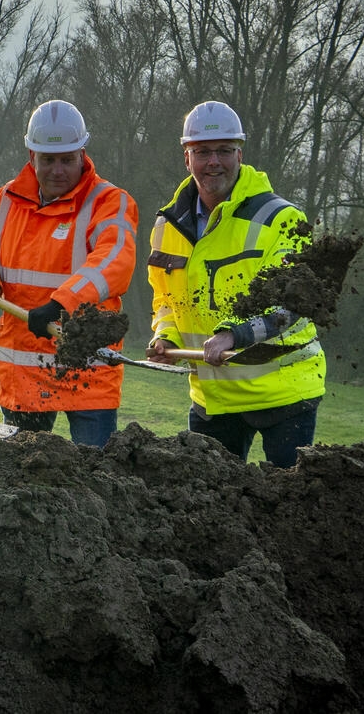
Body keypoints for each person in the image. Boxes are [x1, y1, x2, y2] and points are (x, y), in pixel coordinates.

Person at [145, 100, 325, 467]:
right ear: (187, 158)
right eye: (203, 152)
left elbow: (294, 304)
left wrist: (234, 334)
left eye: (225, 151)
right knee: (209, 510)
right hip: (214, 399)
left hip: (285, 395)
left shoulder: (282, 218)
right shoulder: (168, 226)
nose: (214, 162)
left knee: (289, 507)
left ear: (239, 154)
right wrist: (166, 337)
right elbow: (165, 298)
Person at [0, 100, 138, 447]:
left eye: (67, 159)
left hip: (86, 372)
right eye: (48, 160)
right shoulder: (7, 200)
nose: (58, 170)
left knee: (93, 482)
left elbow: (114, 261)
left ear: (82, 154)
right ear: (31, 156)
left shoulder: (109, 201)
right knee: (24, 484)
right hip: (24, 370)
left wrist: (61, 305)